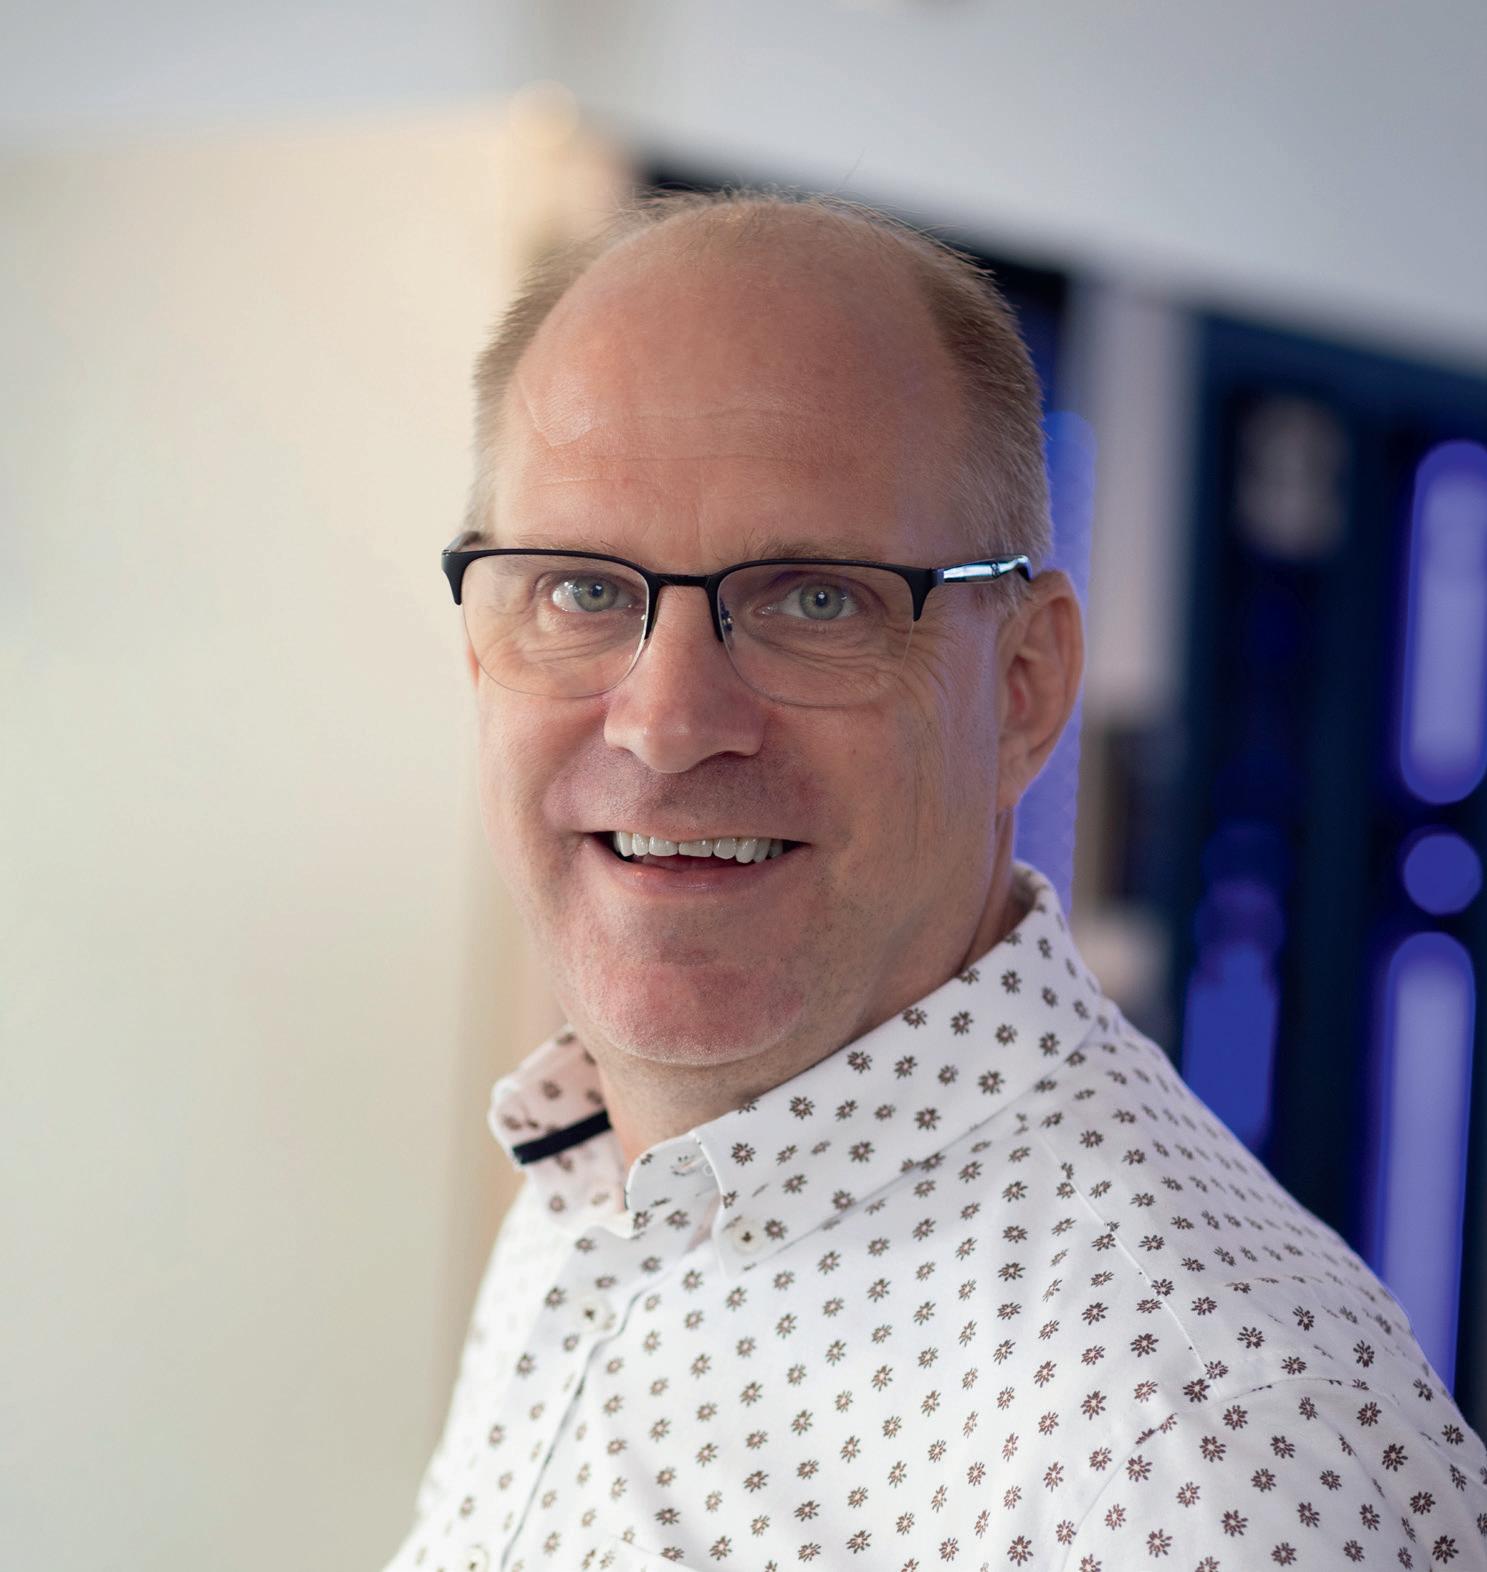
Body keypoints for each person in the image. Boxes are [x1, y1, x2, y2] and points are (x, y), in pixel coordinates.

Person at [383, 188, 1487, 1572]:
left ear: (1023, 685)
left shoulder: (1189, 1458)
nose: (665, 723)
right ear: (481, 649)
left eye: (815, 598)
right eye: (582, 591)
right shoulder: (600, 1184)